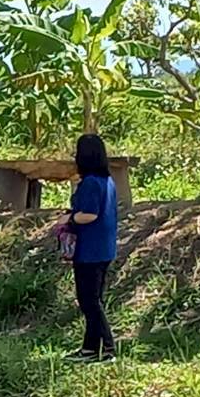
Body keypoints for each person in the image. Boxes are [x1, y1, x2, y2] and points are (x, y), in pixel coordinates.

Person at [64, 133, 118, 362]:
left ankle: (108, 347)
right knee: (94, 299)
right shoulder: (108, 181)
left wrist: (69, 220)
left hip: (89, 250)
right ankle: (89, 349)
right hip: (104, 248)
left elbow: (89, 214)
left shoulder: (90, 183)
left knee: (88, 301)